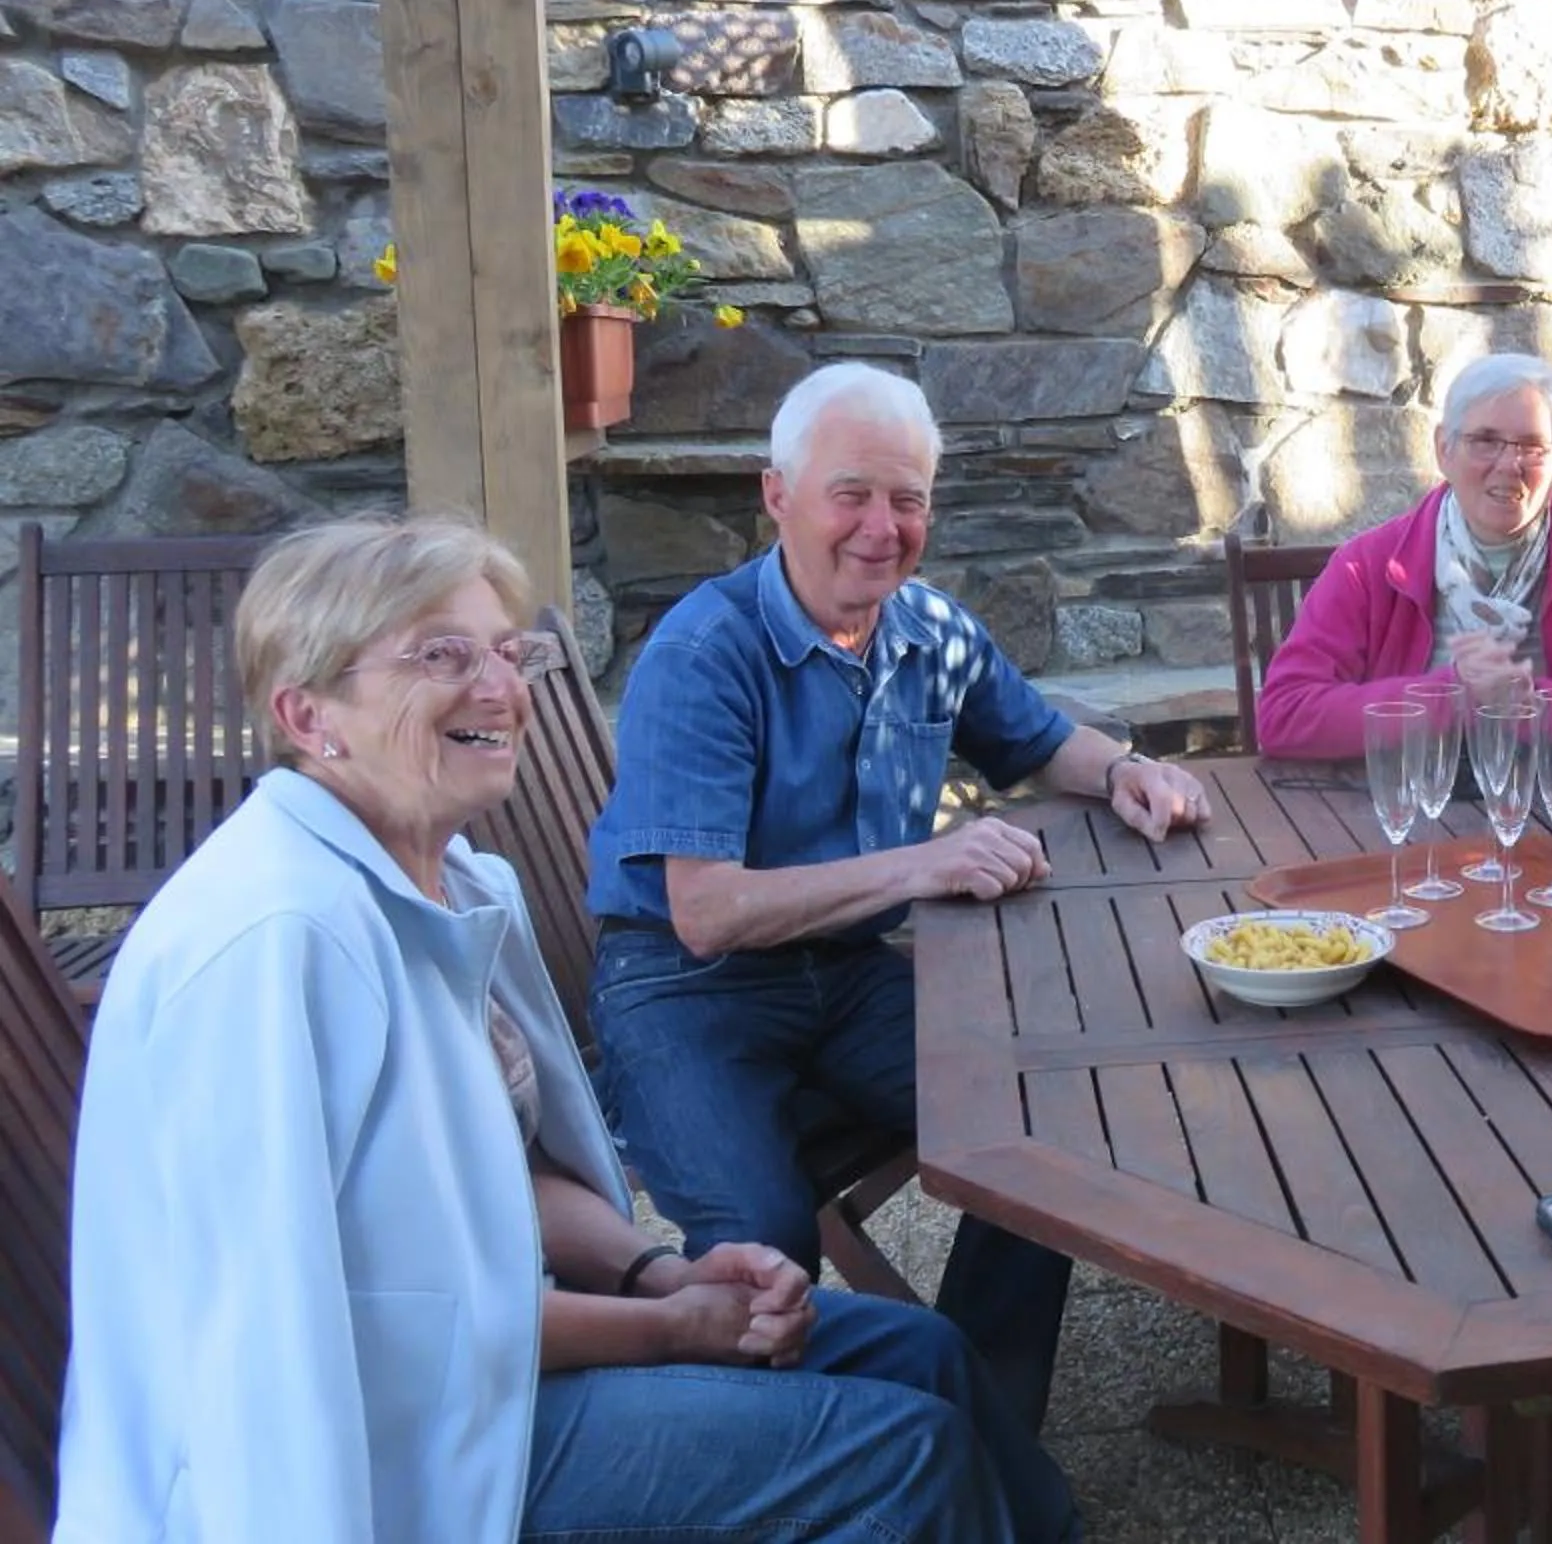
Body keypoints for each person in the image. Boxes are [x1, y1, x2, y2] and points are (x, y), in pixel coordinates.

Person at [55, 515, 1048, 1544]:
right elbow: (336, 1334)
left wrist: (655, 1271)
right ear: (309, 715)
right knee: (898, 1454)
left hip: (476, 1372)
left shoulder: (446, 877)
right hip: (406, 1455)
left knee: (919, 1351)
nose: (500, 687)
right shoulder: (278, 941)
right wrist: (660, 1326)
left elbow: (491, 1179)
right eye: (439, 653)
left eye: (506, 649)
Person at [582, 363, 1206, 1501]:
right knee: (765, 1244)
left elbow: (1035, 739)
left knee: (1052, 1143)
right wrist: (927, 862)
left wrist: (1123, 770)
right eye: (851, 494)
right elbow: (706, 909)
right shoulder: (702, 650)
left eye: (908, 499)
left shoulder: (927, 629)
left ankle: (974, 1437)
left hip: (846, 972)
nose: (883, 529)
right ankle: (806, 1485)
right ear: (777, 496)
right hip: (682, 990)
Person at [1253, 352, 1552, 758]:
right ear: (1443, 449)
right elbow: (1284, 714)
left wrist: (1538, 710)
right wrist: (1450, 697)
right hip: (1407, 807)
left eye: (1531, 446)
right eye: (1485, 440)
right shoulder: (1369, 565)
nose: (1509, 465)